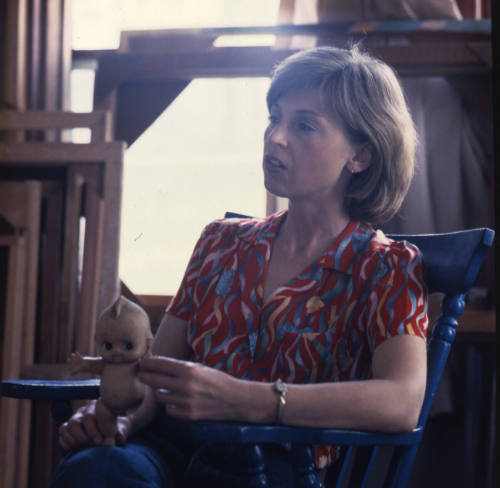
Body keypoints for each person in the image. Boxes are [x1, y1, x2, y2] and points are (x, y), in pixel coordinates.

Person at [51, 45, 428, 487]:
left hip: (276, 465)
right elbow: (156, 373)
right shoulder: (221, 242)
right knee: (98, 470)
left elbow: (401, 401)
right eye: (275, 117)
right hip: (169, 447)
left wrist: (249, 400)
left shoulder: (386, 268)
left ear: (359, 156)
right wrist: (115, 415)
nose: (276, 136)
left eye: (303, 125)